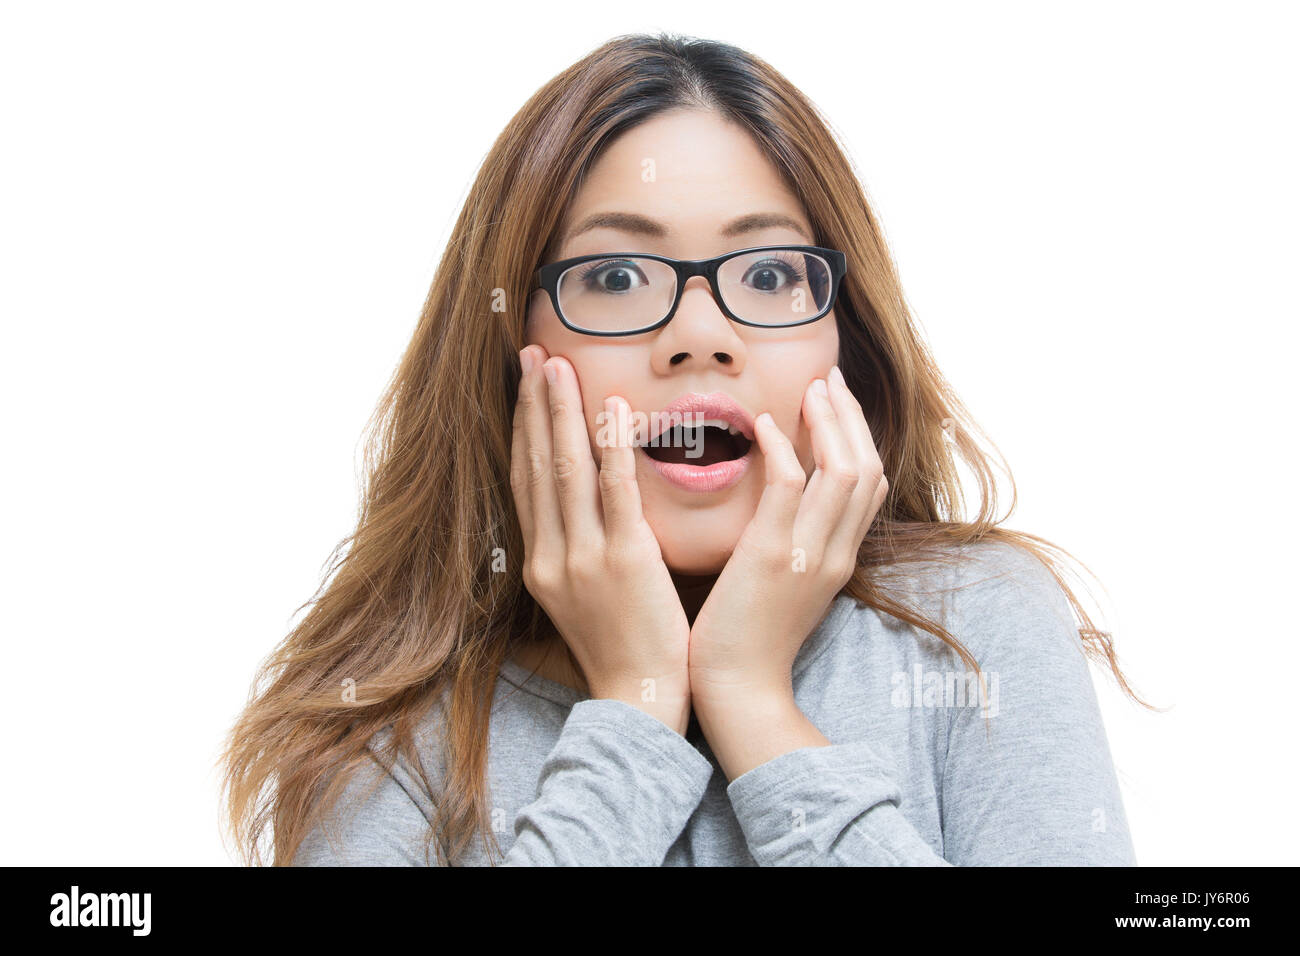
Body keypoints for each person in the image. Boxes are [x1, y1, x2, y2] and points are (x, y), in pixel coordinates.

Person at [220, 32, 1147, 866]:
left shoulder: (974, 630)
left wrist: (754, 703)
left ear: (843, 342)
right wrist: (633, 708)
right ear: (507, 348)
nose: (700, 337)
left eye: (772, 272)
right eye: (616, 276)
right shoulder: (382, 735)